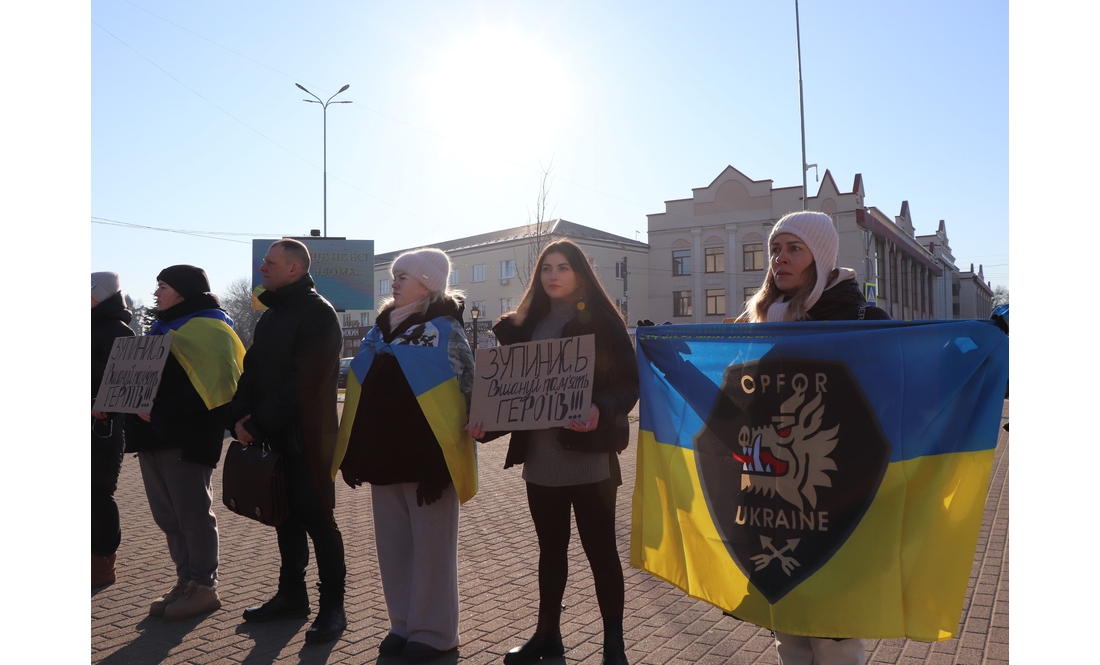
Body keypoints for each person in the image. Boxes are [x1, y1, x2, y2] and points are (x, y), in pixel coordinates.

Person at [470, 239, 639, 665]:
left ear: (580, 272)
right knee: (550, 551)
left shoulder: (604, 321)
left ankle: (614, 646)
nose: (553, 275)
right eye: (546, 268)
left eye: (562, 267)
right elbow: (513, 393)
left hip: (591, 458)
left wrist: (602, 409)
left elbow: (629, 385)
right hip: (542, 460)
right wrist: (484, 425)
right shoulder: (522, 325)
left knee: (601, 552)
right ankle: (547, 636)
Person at [742, 210, 888, 665]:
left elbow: (905, 394)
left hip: (841, 500)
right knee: (791, 633)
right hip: (775, 508)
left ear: (819, 256)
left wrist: (987, 342)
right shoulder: (758, 324)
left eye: (794, 249)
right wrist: (669, 353)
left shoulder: (864, 319)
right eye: (775, 249)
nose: (779, 259)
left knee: (835, 636)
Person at [338, 248, 477, 664]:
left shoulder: (445, 329)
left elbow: (469, 387)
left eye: (404, 276)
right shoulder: (379, 331)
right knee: (393, 547)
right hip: (383, 457)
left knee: (432, 550)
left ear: (429, 284)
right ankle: (402, 624)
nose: (394, 282)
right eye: (394, 275)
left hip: (429, 460)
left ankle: (435, 634)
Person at [230, 238, 348, 644]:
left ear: (294, 269)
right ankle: (291, 597)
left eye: (270, 262)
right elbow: (251, 372)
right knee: (284, 517)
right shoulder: (271, 315)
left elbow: (306, 384)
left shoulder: (318, 313)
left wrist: (257, 424)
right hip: (275, 438)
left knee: (318, 521)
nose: (262, 268)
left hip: (309, 441)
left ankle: (333, 607)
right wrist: (239, 415)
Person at [126, 265, 246, 621]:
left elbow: (221, 389)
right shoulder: (162, 328)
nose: (156, 294)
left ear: (182, 291)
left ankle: (204, 586)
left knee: (192, 514)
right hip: (154, 437)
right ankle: (185, 581)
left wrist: (157, 406)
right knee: (168, 515)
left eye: (162, 286)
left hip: (188, 438)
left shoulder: (212, 329)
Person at [91, 271, 136, 588]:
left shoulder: (120, 331)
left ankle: (102, 566)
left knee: (98, 495)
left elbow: (127, 385)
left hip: (102, 427)